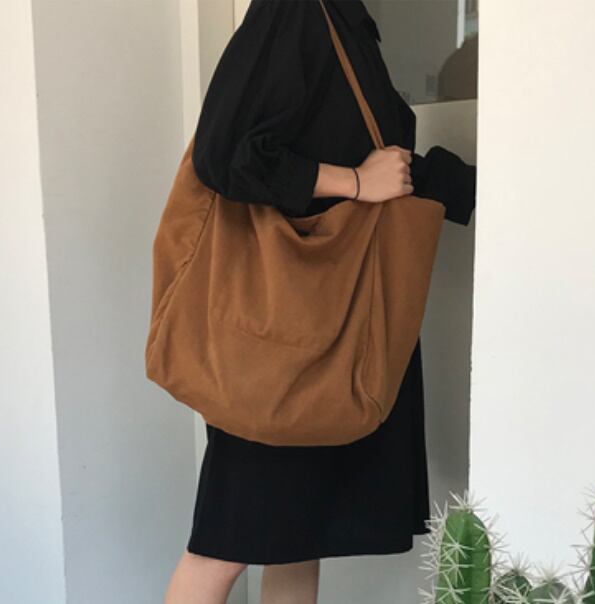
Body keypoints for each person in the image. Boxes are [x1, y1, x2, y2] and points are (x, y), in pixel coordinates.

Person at [165, 1, 476, 602]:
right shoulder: (296, 11)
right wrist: (355, 182)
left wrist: (492, 187)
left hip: (328, 331)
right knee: (223, 548)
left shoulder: (346, 23)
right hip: (283, 342)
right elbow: (224, 154)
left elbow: (387, 167)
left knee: (295, 537)